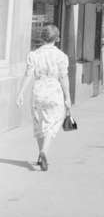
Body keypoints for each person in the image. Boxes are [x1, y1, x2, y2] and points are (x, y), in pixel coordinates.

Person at [16, 24, 71, 171]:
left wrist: (21, 92)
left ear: (42, 38)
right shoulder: (61, 56)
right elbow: (64, 77)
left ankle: (40, 157)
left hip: (38, 90)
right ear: (57, 39)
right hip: (54, 90)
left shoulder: (34, 55)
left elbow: (28, 74)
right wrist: (68, 97)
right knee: (53, 122)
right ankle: (44, 152)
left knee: (38, 122)